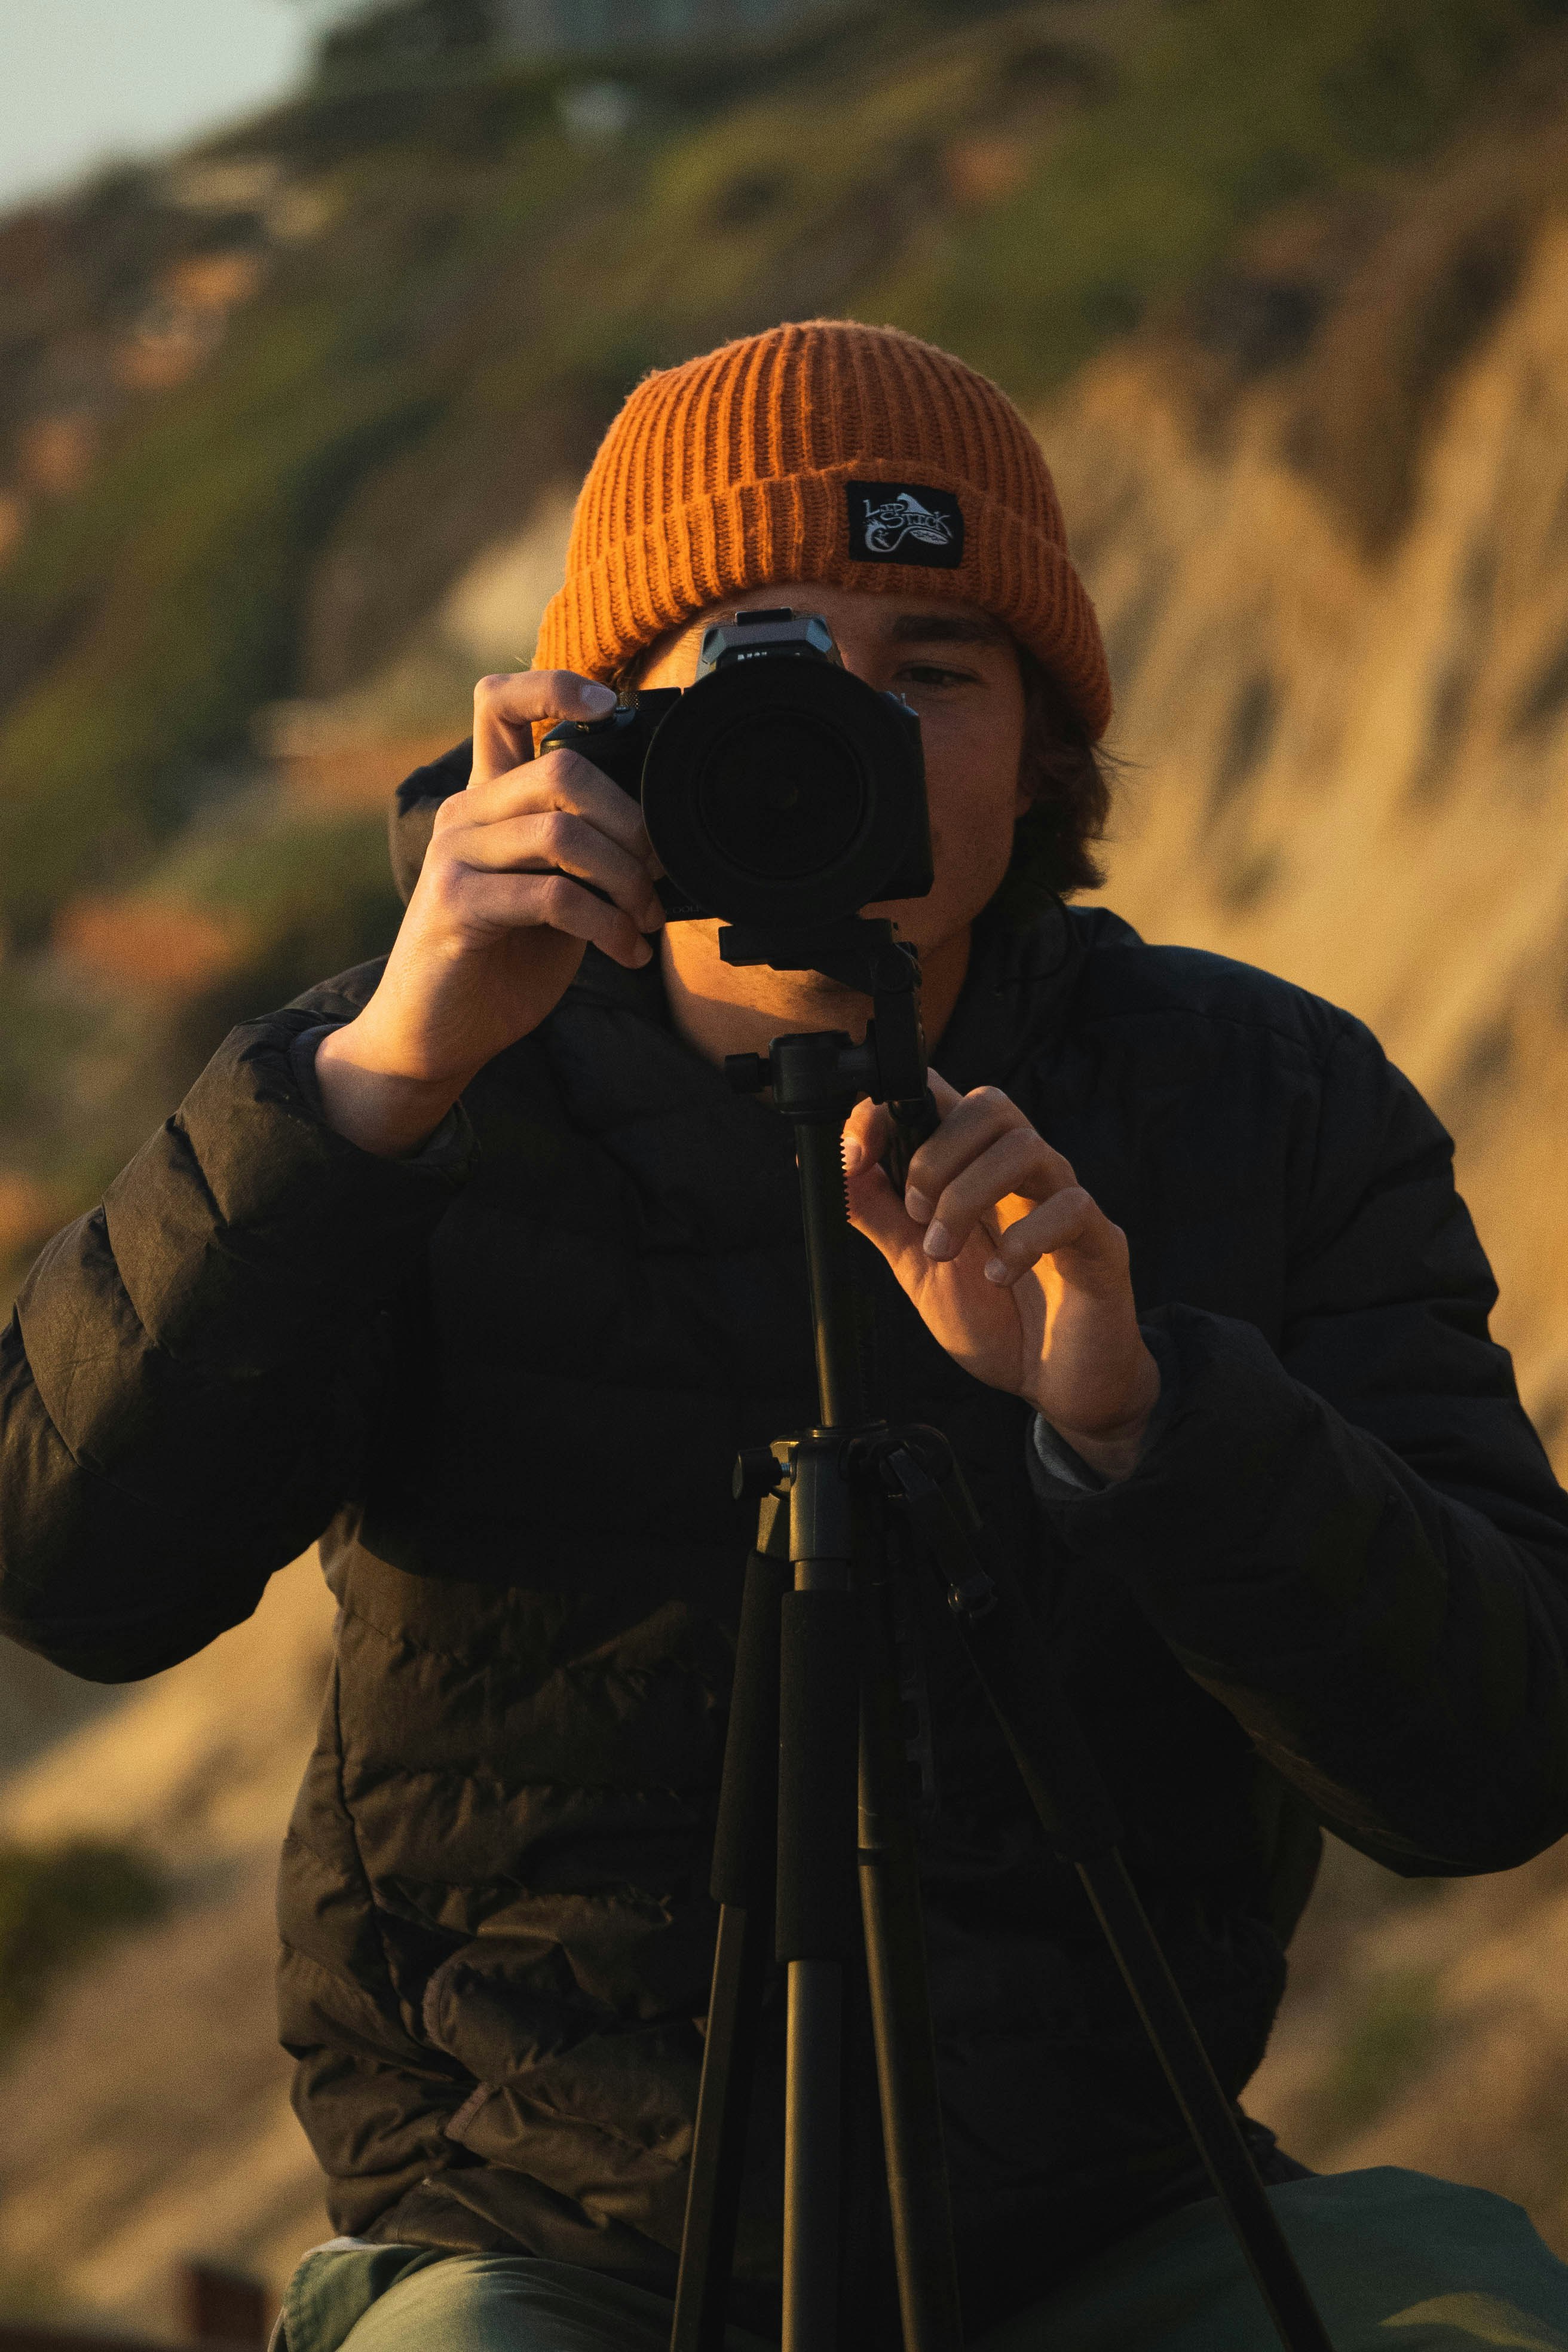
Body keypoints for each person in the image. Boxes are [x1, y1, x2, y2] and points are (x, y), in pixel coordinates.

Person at [4, 320, 1568, 2352]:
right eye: (760, 674)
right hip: (543, 2235)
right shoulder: (406, 1083)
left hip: (1118, 2207)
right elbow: (70, 1570)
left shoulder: (1261, 1102)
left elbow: (1494, 1764)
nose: (849, 740)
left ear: (1043, 749)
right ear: (592, 734)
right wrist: (378, 1085)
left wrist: (1142, 1420)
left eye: (936, 674)